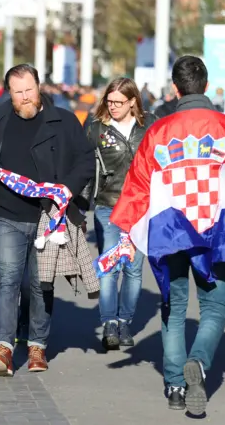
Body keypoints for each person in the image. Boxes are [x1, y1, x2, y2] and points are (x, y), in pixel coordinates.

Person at [110, 56, 225, 414]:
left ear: (176, 88)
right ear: (206, 85)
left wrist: (127, 230)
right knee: (215, 307)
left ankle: (174, 386)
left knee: (174, 306)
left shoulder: (158, 131)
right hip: (218, 231)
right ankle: (198, 363)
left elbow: (138, 184)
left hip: (171, 231)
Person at [0, 64, 95, 376]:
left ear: (40, 88)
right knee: (8, 280)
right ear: (9, 93)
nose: (25, 97)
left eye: (29, 90)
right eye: (18, 92)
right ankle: (4, 347)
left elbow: (86, 159)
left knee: (39, 283)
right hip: (6, 213)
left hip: (47, 217)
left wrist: (68, 187)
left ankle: (37, 344)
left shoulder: (63, 120)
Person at [84, 77, 157, 350]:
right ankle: (109, 324)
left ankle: (125, 321)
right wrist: (79, 207)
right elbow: (85, 170)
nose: (112, 107)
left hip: (141, 207)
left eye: (118, 102)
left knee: (134, 268)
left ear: (133, 102)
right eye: (109, 101)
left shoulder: (149, 126)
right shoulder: (95, 129)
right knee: (109, 265)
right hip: (108, 206)